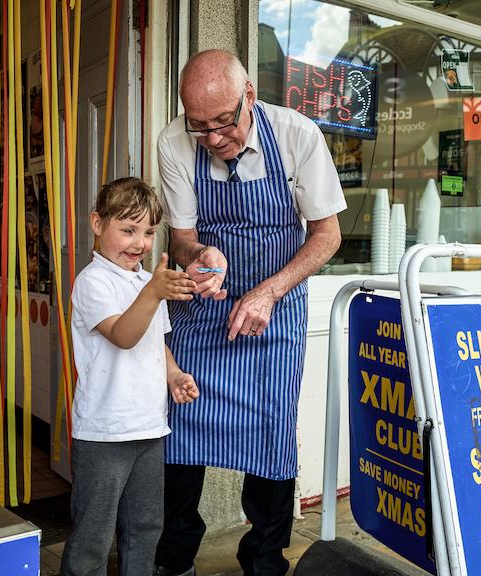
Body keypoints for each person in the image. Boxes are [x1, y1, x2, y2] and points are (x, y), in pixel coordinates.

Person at [154, 50, 345, 576]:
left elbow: (327, 236)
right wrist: (201, 257)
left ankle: (264, 560)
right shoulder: (173, 142)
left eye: (224, 122)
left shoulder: (297, 135)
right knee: (179, 426)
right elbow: (183, 239)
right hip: (205, 307)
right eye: (200, 126)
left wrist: (269, 293)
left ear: (250, 98)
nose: (214, 138)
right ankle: (174, 557)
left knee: (271, 436)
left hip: (275, 309)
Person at [62, 177, 201, 576]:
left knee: (145, 527)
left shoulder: (146, 281)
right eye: (128, 230)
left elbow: (156, 341)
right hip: (104, 432)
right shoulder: (93, 281)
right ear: (97, 223)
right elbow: (123, 336)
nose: (140, 243)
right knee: (93, 534)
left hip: (150, 426)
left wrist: (173, 374)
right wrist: (154, 292)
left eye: (149, 232)